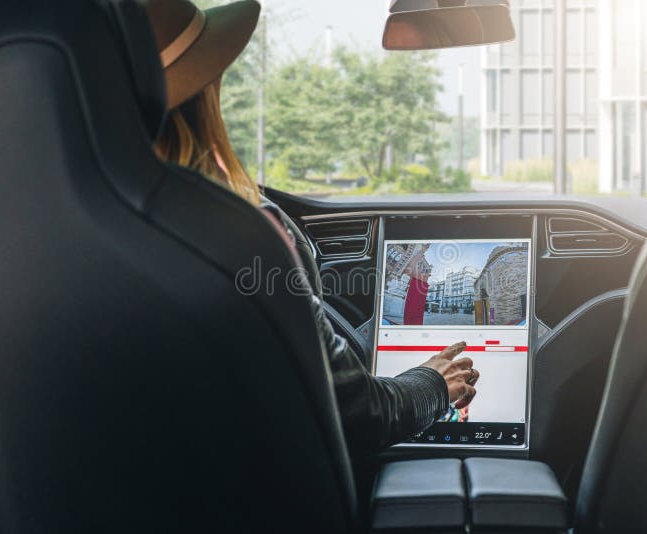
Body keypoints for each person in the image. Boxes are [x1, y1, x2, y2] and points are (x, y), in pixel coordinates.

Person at [144, 0, 480, 454]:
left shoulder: (70, 238)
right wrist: (433, 384)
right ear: (205, 97)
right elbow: (358, 414)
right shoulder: (245, 234)